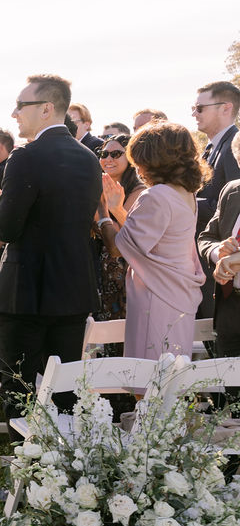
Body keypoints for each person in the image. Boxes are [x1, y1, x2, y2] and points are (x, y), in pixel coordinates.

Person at [0, 74, 101, 427]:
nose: (15, 114)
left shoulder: (26, 156)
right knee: (66, 392)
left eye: (21, 106)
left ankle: (24, 476)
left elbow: (8, 229)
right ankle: (63, 476)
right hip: (72, 292)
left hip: (24, 295)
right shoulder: (89, 158)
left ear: (46, 108)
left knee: (19, 391)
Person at [99, 122, 207, 359]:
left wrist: (102, 211)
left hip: (156, 295)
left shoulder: (156, 195)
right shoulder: (184, 192)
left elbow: (118, 247)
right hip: (177, 293)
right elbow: (144, 238)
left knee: (150, 377)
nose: (137, 169)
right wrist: (118, 209)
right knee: (172, 375)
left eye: (138, 161)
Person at [194, 81, 240, 337]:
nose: (194, 113)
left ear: (226, 108)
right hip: (219, 273)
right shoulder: (210, 149)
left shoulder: (235, 145)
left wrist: (186, 203)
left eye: (200, 107)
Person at [91, 134, 146, 352]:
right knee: (108, 332)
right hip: (105, 268)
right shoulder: (100, 188)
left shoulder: (139, 192)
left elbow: (127, 234)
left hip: (127, 269)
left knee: (125, 332)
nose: (108, 159)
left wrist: (103, 212)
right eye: (104, 154)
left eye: (116, 154)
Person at [199, 133, 240, 358]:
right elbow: (206, 238)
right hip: (230, 309)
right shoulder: (231, 190)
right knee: (232, 390)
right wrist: (218, 252)